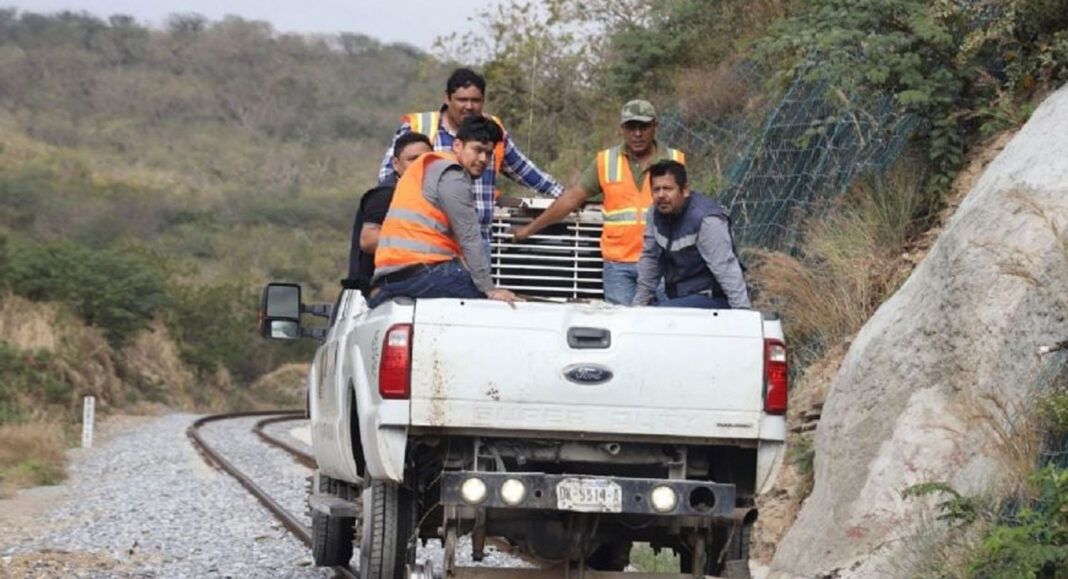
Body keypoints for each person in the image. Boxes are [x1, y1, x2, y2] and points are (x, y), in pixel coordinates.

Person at [512, 99, 686, 304]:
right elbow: (571, 199)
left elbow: (689, 208)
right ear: (622, 128)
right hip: (619, 267)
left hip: (664, 263)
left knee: (667, 325)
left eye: (644, 127)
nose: (637, 134)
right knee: (621, 328)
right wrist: (530, 229)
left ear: (655, 126)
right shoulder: (606, 161)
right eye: (631, 127)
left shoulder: (675, 159)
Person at [378, 67, 564, 250]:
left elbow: (524, 170)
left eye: (475, 100)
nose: (469, 106)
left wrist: (566, 195)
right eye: (462, 100)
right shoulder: (421, 127)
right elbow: (387, 177)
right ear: (447, 98)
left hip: (478, 239)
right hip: (431, 240)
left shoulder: (491, 130)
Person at [368, 116, 520, 309]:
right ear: (457, 145)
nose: (483, 159)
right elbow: (470, 237)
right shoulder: (451, 175)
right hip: (421, 272)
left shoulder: (428, 166)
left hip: (390, 276)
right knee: (493, 306)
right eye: (478, 150)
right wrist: (490, 290)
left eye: (489, 154)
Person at [632, 160, 750, 309]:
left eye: (668, 189)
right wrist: (638, 306)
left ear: (685, 189)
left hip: (711, 299)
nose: (661, 195)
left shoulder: (707, 220)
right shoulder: (655, 213)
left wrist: (742, 313)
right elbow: (650, 259)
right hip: (678, 296)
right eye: (656, 190)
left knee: (661, 315)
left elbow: (725, 267)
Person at [345, 132, 433, 298]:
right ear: (395, 164)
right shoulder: (385, 195)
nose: (420, 164)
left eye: (426, 159)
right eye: (413, 159)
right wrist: (423, 242)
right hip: (376, 289)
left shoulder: (426, 196)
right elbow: (368, 241)